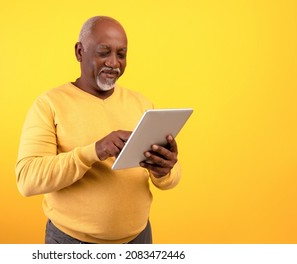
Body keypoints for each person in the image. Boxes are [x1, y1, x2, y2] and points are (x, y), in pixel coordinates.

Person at [15, 16, 182, 244]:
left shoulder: (142, 104)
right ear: (80, 52)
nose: (114, 63)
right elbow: (27, 179)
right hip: (71, 243)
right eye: (104, 52)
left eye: (121, 54)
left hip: (139, 239)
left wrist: (164, 170)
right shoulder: (49, 104)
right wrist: (94, 151)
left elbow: (170, 180)